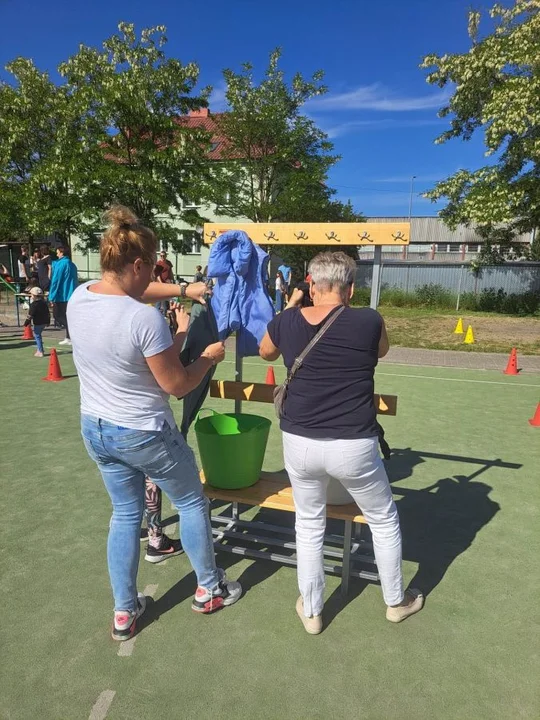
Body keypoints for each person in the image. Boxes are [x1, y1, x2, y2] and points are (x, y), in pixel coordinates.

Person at [67, 205, 241, 641]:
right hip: (144, 431)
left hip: (97, 427)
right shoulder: (142, 318)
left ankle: (124, 612)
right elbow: (177, 385)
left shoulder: (80, 295)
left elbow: (133, 342)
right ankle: (209, 588)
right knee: (192, 503)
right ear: (138, 264)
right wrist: (206, 356)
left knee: (124, 515)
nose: (152, 284)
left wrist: (180, 310)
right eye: (150, 271)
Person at [259, 251, 423, 635]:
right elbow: (381, 351)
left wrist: (293, 305)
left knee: (309, 523)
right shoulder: (368, 320)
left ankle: (313, 610)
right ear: (351, 289)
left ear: (311, 285)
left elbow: (265, 351)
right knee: (383, 519)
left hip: (299, 441)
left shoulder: (286, 320)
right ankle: (395, 601)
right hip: (354, 443)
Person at [49, 245, 78, 345]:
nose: (57, 254)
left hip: (62, 295)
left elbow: (55, 281)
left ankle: (72, 334)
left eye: (58, 252)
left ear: (61, 252)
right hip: (71, 294)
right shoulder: (72, 264)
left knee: (57, 315)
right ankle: (69, 337)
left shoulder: (61, 264)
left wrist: (51, 296)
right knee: (67, 316)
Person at [24, 286, 50, 357]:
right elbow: (47, 312)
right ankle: (40, 349)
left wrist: (27, 322)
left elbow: (30, 314)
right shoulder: (44, 303)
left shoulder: (33, 304)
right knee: (38, 335)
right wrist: (48, 321)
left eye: (31, 295)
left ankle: (40, 351)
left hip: (38, 322)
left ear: (34, 296)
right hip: (44, 322)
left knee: (37, 336)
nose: (31, 296)